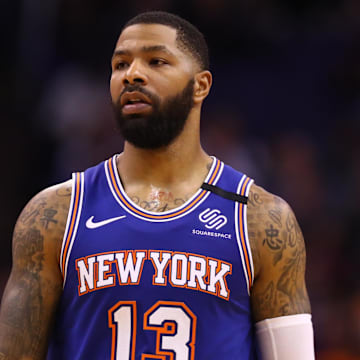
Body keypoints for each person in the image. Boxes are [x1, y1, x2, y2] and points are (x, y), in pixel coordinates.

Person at [0, 11, 315, 360]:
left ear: (201, 85)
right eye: (120, 64)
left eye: (156, 61)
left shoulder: (261, 220)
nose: (132, 74)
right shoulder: (54, 214)